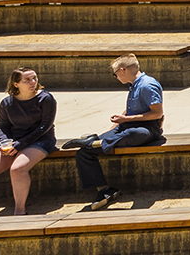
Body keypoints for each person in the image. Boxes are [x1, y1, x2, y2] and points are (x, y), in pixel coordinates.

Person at [65, 54, 166, 207]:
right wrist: (111, 130)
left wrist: (125, 120)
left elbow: (157, 113)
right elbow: (130, 110)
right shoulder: (134, 84)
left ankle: (93, 142)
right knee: (83, 153)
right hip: (126, 126)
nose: (116, 77)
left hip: (147, 129)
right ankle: (104, 190)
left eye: (115, 73)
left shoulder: (147, 85)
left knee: (135, 134)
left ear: (123, 70)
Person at [0, 68, 57, 217]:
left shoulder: (45, 99)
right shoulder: (7, 103)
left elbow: (45, 126)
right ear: (16, 84)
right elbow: (2, 126)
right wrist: (6, 143)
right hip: (13, 142)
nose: (33, 82)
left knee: (17, 168)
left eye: (34, 78)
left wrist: (21, 144)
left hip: (40, 140)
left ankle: (19, 210)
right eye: (27, 80)